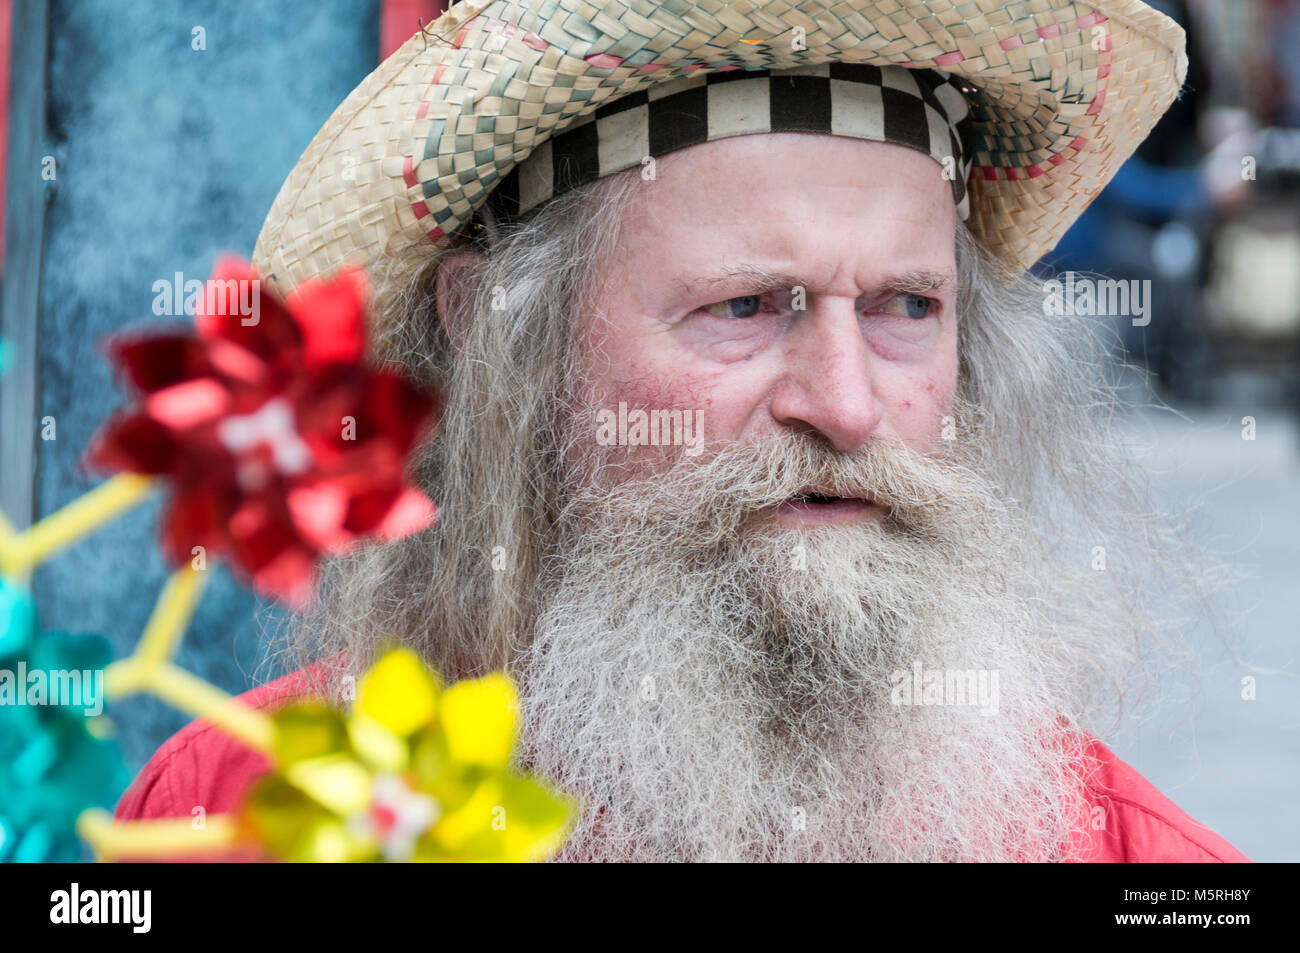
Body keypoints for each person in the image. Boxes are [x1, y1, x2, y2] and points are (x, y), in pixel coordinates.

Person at [116, 0, 1249, 862]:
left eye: (908, 306)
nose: (846, 405)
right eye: (745, 306)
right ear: (497, 331)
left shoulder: (1137, 860)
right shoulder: (237, 815)